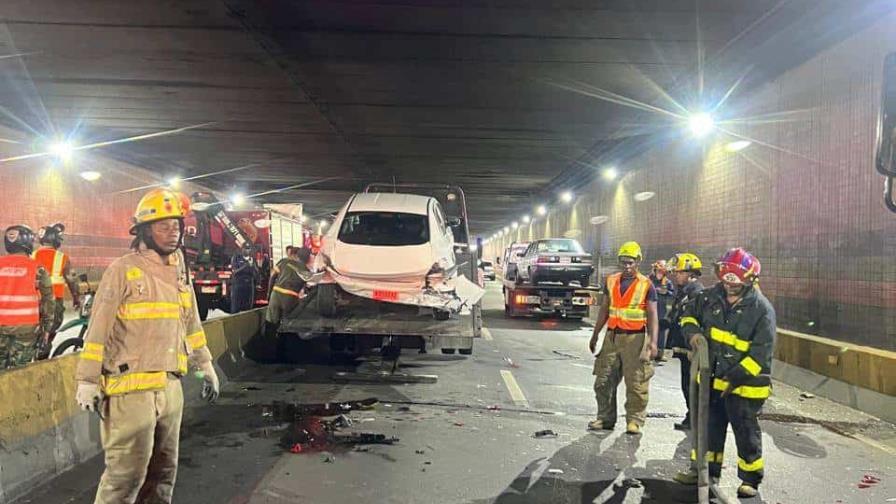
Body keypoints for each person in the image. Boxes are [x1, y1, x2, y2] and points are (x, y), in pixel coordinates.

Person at [75, 188, 220, 504]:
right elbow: (97, 332)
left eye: (177, 226)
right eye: (164, 226)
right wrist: (87, 381)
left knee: (163, 475)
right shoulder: (123, 270)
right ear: (143, 230)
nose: (174, 233)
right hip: (130, 392)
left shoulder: (178, 267)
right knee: (125, 479)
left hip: (170, 389)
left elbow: (191, 320)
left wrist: (204, 364)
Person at [673, 248, 775, 499]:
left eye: (736, 283)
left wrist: (735, 377)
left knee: (746, 432)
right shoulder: (708, 297)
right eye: (726, 281)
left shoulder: (762, 310)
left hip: (745, 385)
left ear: (750, 280)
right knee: (709, 428)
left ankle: (751, 478)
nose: (730, 288)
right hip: (711, 380)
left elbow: (761, 354)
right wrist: (694, 334)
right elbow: (687, 317)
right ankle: (704, 472)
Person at [588, 241, 659, 435]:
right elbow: (604, 309)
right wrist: (595, 335)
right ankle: (605, 418)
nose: (627, 266)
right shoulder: (611, 281)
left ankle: (634, 420)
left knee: (636, 383)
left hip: (635, 340)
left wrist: (653, 342)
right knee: (603, 380)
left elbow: (653, 314)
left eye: (631, 262)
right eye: (624, 262)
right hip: (612, 338)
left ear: (638, 262)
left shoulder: (646, 285)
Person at [0, 225, 54, 369]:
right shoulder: (38, 268)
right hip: (26, 330)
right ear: (27, 242)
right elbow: (49, 300)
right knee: (19, 373)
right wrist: (47, 329)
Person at [664, 252, 704, 431]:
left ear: (691, 274)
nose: (676, 275)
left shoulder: (696, 294)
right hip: (683, 347)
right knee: (686, 384)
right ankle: (693, 416)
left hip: (691, 349)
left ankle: (696, 419)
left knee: (692, 385)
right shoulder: (684, 293)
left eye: (680, 272)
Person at [33, 222, 81, 358]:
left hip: (34, 302)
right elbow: (72, 281)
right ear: (55, 240)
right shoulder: (62, 257)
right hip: (54, 303)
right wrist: (77, 298)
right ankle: (42, 360)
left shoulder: (31, 255)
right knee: (48, 333)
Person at [266, 246, 313, 328]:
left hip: (275, 295)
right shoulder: (306, 271)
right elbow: (309, 289)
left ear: (297, 255)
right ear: (308, 259)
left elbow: (272, 277)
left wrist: (269, 294)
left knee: (271, 324)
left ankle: (268, 340)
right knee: (286, 326)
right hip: (290, 300)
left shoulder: (284, 262)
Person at [650, 260, 675, 363]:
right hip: (650, 308)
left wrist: (666, 292)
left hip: (661, 310)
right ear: (655, 270)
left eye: (662, 272)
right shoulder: (648, 280)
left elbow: (673, 294)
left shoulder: (667, 282)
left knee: (661, 331)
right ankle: (648, 351)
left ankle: (659, 354)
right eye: (659, 271)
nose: (660, 273)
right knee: (650, 330)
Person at [230, 242, 258, 313]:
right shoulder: (236, 258)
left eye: (248, 249)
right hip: (238, 285)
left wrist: (253, 266)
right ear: (242, 249)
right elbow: (234, 272)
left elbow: (256, 272)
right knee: (235, 307)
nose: (247, 250)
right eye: (245, 249)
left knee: (248, 308)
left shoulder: (252, 259)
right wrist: (245, 265)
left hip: (249, 285)